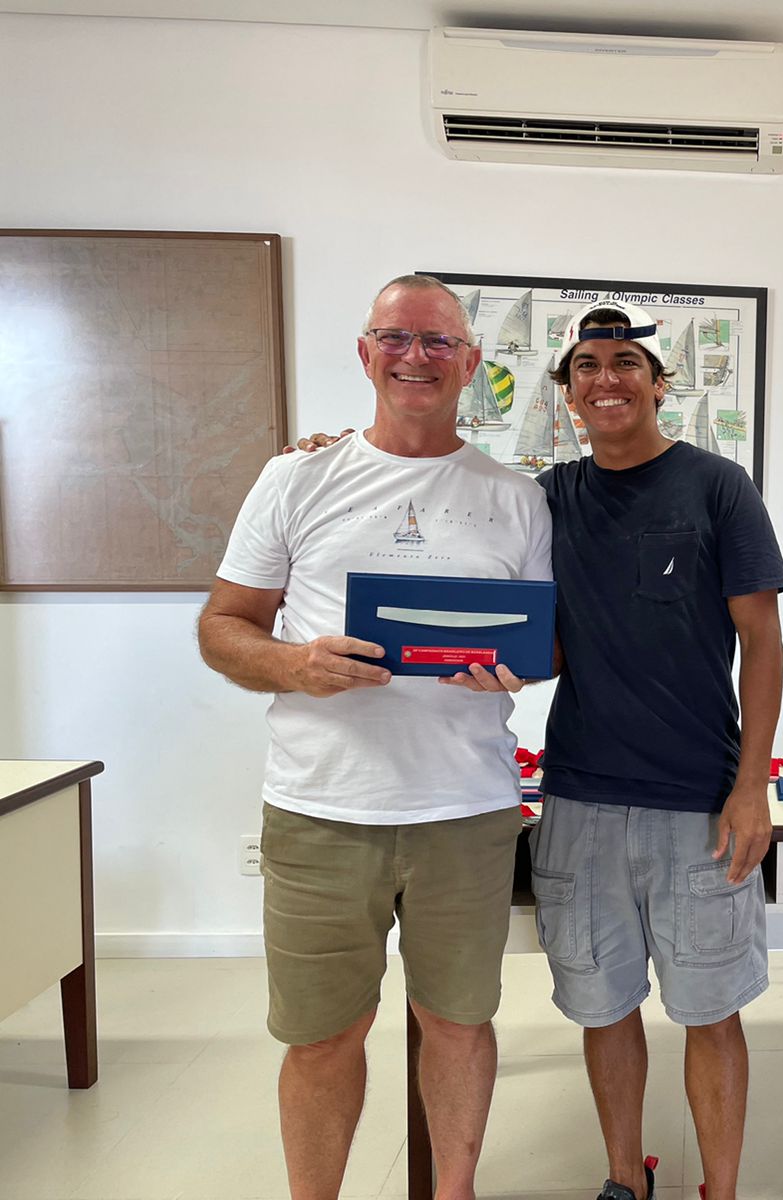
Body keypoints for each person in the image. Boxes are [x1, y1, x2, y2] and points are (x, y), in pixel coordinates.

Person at [197, 275, 554, 1200]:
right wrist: (294, 665)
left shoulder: (518, 498)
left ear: (471, 362)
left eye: (439, 342)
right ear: (365, 354)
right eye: (395, 337)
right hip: (320, 810)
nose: (415, 357)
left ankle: (454, 1192)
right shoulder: (296, 477)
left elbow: (546, 641)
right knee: (322, 1037)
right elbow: (223, 628)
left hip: (466, 812)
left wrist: (520, 668)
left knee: (459, 1024)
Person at [527, 300, 783, 1200]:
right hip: (580, 800)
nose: (607, 379)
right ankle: (622, 1180)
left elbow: (764, 643)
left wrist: (751, 788)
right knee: (603, 1009)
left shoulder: (718, 487)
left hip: (698, 805)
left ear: (657, 382)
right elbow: (532, 635)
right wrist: (330, 455)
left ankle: (722, 1189)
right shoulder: (547, 498)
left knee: (710, 1012)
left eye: (626, 363)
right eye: (587, 366)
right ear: (568, 393)